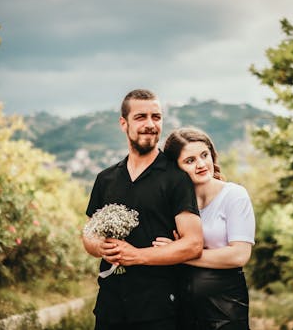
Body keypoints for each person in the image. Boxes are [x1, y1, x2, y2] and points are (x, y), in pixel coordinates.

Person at [82, 89, 204, 330]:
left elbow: (193, 244)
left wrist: (137, 256)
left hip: (160, 310)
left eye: (156, 117)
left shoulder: (176, 178)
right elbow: (87, 235)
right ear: (123, 123)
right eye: (141, 117)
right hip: (110, 307)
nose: (150, 124)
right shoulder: (105, 179)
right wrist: (99, 247)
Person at [156, 127, 256, 330]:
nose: (201, 164)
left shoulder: (234, 195)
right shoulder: (172, 206)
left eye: (204, 155)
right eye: (190, 161)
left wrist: (181, 253)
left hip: (226, 305)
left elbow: (239, 255)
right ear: (175, 168)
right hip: (182, 305)